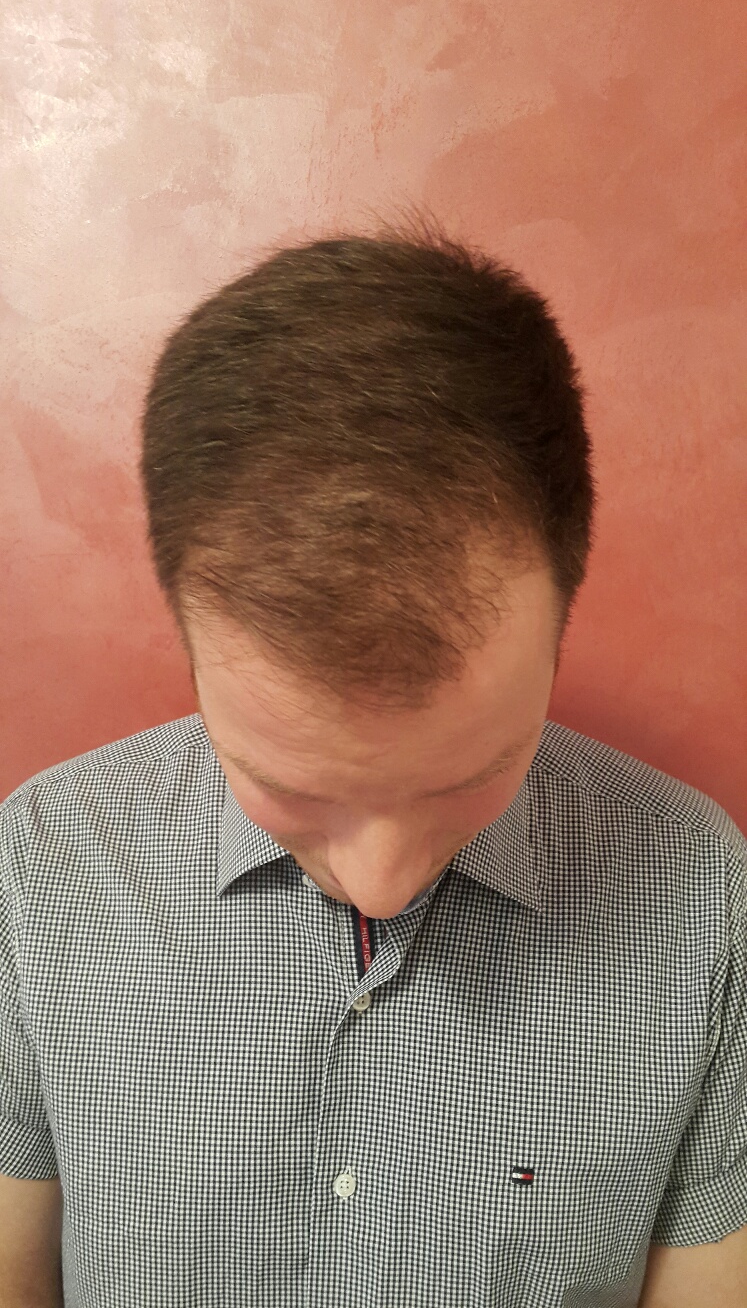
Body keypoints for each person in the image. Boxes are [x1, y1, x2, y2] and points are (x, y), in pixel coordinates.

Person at [1, 211, 745, 1307]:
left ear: (564, 621)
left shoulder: (701, 891)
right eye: (287, 786)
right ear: (186, 643)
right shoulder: (41, 862)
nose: (384, 882)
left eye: (470, 776)